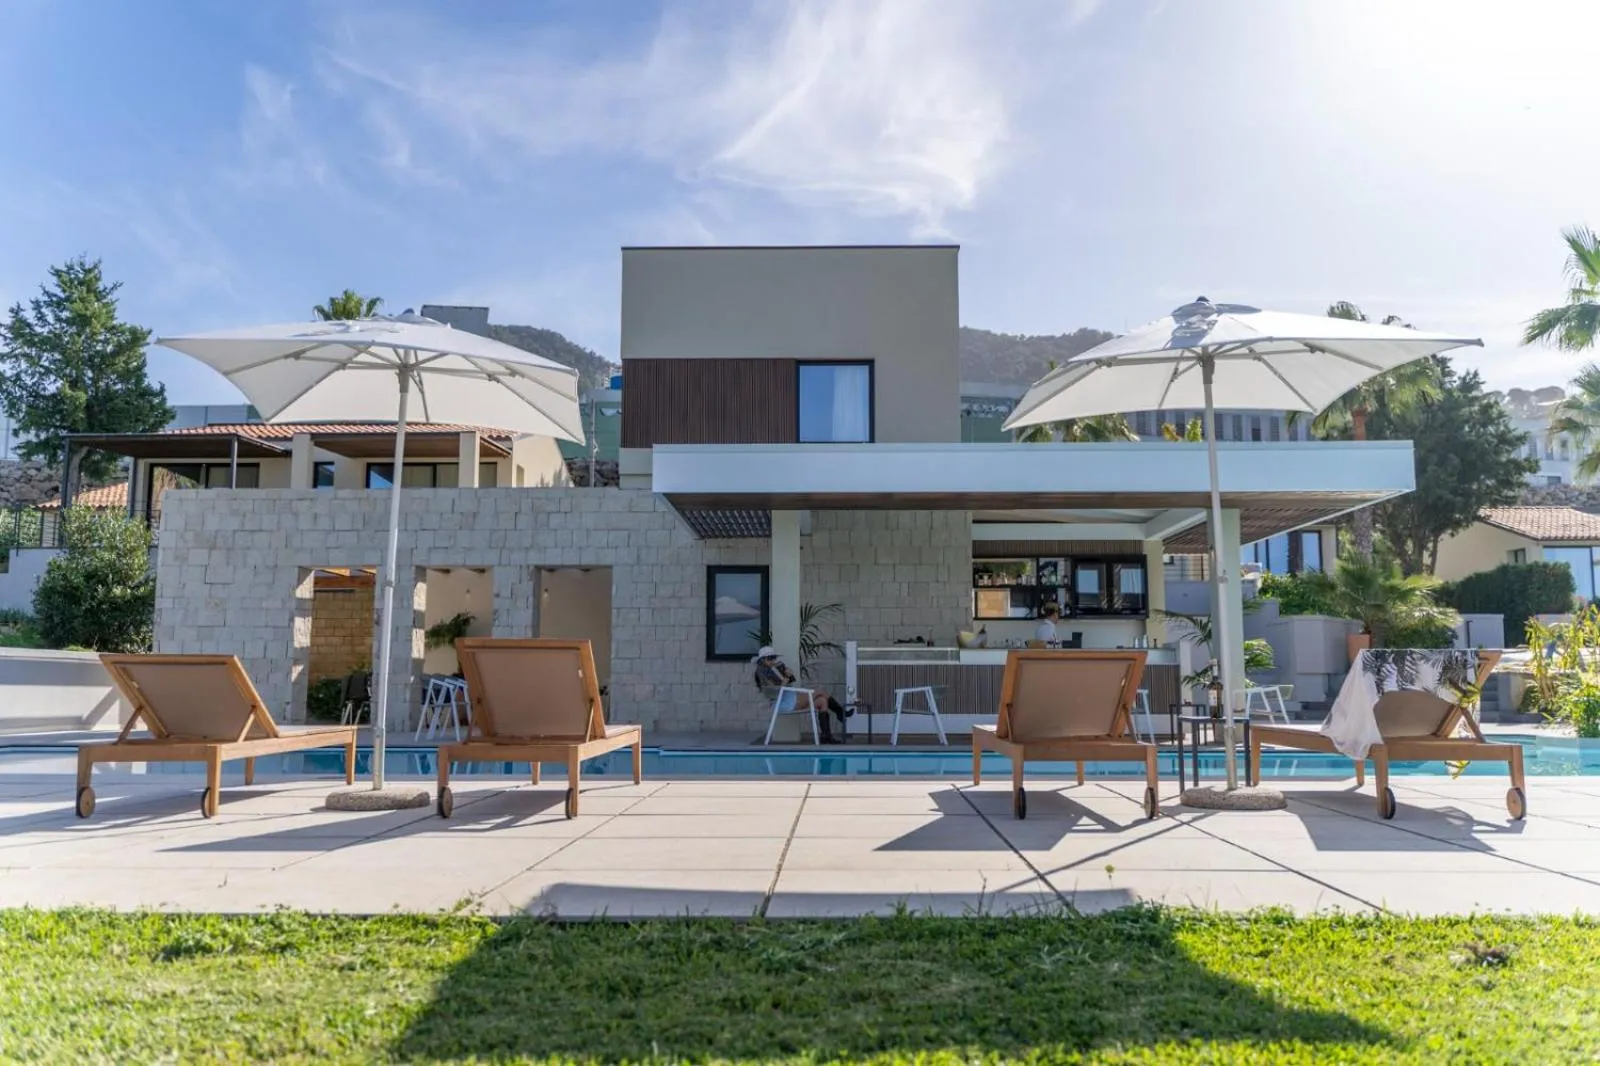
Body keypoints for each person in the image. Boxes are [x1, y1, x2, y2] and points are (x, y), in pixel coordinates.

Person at [752, 646, 850, 743]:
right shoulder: (762, 673)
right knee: (820, 691)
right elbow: (773, 690)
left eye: (774, 657)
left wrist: (788, 675)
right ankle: (840, 712)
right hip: (783, 703)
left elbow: (789, 682)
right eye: (770, 658)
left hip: (791, 698)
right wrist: (784, 681)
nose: (773, 660)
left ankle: (826, 736)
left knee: (822, 701)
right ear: (763, 660)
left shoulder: (774, 669)